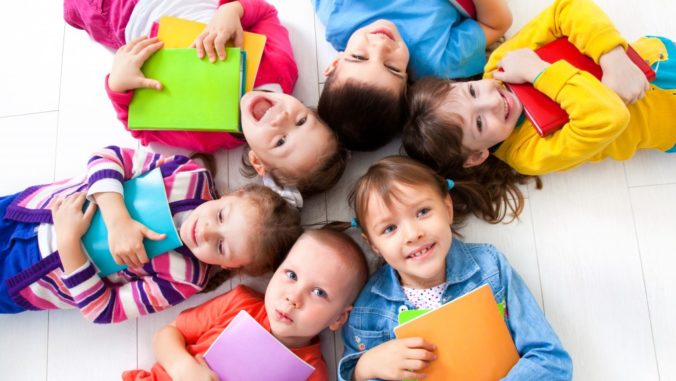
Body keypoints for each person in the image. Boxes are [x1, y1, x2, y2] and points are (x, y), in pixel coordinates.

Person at [403, 0, 676, 222]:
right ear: (476, 156)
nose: (492, 101)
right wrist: (536, 71)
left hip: (659, 55)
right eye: (478, 123)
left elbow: (567, 10)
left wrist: (613, 58)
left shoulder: (500, 65)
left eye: (473, 91)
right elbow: (610, 118)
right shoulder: (528, 152)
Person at [65, 0, 347, 200]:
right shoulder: (280, 65)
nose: (281, 119)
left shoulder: (210, 135)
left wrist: (118, 83)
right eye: (301, 120)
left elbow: (140, 126)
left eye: (280, 141)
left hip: (117, 15)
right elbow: (265, 12)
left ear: (257, 161)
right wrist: (231, 10)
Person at [0, 146, 302, 323]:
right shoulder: (188, 177)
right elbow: (108, 157)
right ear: (232, 195)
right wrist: (117, 219)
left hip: (30, 277)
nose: (207, 231)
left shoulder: (185, 277)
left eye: (222, 246)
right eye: (221, 215)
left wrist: (69, 245)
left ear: (231, 266)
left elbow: (105, 310)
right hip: (28, 207)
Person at [337, 156, 572, 381]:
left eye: (422, 212)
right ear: (373, 245)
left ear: (447, 208)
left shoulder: (489, 267)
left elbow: (551, 361)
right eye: (389, 229)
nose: (412, 234)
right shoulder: (369, 311)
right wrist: (363, 369)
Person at [122, 228, 369, 381]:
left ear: (338, 318)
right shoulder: (240, 302)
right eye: (291, 275)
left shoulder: (312, 373)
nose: (293, 297)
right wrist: (182, 367)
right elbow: (167, 334)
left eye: (318, 292)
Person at [313, 0, 512, 151]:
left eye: (358, 57)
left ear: (335, 63)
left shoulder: (336, 20)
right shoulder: (437, 62)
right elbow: (497, 24)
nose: (380, 45)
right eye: (392, 68)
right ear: (408, 85)